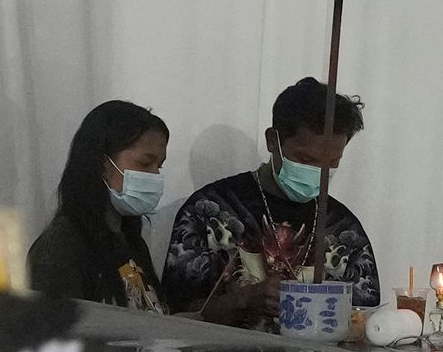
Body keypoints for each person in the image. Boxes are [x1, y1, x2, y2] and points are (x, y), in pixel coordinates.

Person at [161, 78, 380, 328]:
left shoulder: (342, 228)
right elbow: (174, 314)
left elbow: (364, 320)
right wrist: (243, 300)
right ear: (272, 141)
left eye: (332, 163)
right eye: (305, 159)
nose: (319, 173)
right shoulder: (211, 210)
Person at [28, 100, 171, 308]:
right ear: (102, 163)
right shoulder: (59, 252)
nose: (155, 175)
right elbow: (62, 336)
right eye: (145, 163)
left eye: (159, 166)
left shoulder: (129, 239)